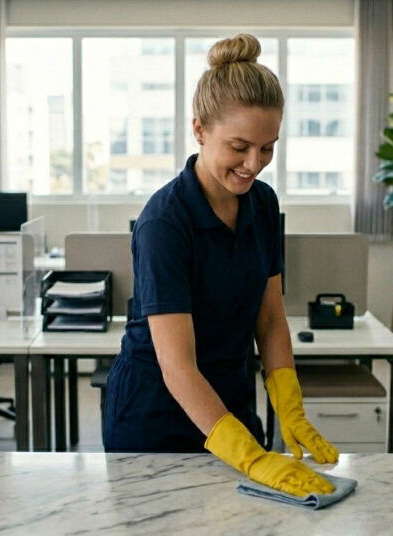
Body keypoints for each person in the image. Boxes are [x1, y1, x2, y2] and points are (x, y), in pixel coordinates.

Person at [103, 34, 338, 497]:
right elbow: (178, 367)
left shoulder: (263, 204)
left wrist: (288, 406)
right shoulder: (164, 223)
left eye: (267, 147)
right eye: (239, 146)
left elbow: (269, 318)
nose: (255, 164)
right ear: (199, 129)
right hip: (157, 419)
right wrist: (248, 457)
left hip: (232, 404)